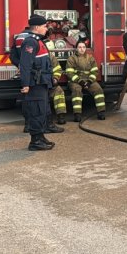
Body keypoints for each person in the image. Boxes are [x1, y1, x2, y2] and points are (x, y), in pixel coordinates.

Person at [19, 14, 62, 151]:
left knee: (42, 110)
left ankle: (41, 137)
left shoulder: (37, 40)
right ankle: (35, 141)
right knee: (37, 111)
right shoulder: (30, 42)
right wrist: (25, 84)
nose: (46, 28)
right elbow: (25, 64)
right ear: (37, 27)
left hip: (42, 83)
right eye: (44, 26)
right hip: (35, 84)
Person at [65, 41, 106, 121]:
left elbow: (94, 71)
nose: (82, 49)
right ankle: (77, 114)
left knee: (98, 89)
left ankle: (101, 112)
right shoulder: (71, 59)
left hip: (89, 80)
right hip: (75, 81)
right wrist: (81, 82)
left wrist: (89, 81)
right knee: (77, 90)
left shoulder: (90, 58)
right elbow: (69, 73)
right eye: (80, 47)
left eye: (83, 47)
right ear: (76, 49)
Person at [45, 40, 67, 124]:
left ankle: (61, 116)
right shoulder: (34, 57)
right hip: (39, 85)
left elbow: (58, 69)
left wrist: (55, 79)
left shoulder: (51, 57)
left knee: (59, 91)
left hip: (50, 84)